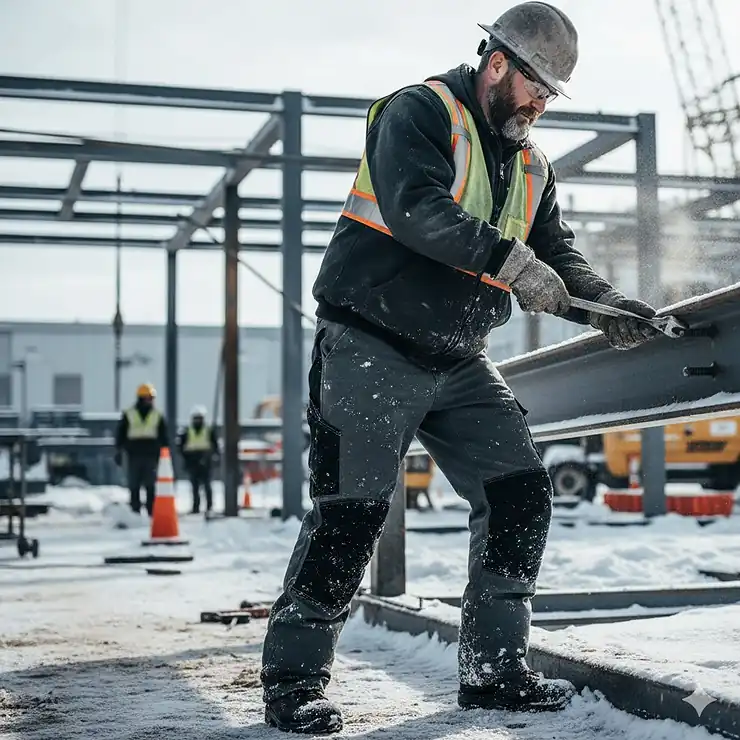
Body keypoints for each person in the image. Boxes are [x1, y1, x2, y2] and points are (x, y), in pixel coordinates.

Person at [260, 2, 660, 734]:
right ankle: (293, 681)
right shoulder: (419, 113)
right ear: (498, 65)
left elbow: (556, 257)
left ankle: (494, 671)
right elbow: (416, 209)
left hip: (459, 359)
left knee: (518, 495)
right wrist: (514, 263)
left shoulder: (533, 165)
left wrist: (602, 304)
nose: (541, 105)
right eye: (537, 87)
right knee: (351, 514)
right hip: (370, 344)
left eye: (550, 95)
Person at [114, 383, 169, 516]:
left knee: (150, 484)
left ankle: (151, 511)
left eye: (151, 398)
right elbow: (121, 434)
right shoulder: (129, 414)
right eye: (148, 398)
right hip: (134, 454)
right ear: (141, 398)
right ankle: (135, 511)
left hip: (151, 455)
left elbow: (163, 436)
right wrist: (118, 451)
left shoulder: (157, 415)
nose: (150, 401)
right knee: (134, 484)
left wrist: (165, 453)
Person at [176, 405, 219, 514]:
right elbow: (181, 447)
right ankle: (196, 506)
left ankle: (209, 506)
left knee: (207, 485)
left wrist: (212, 457)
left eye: (199, 418)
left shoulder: (208, 431)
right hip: (193, 461)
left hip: (205, 461)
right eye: (196, 418)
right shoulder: (187, 432)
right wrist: (186, 458)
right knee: (194, 486)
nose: (198, 421)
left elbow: (215, 446)